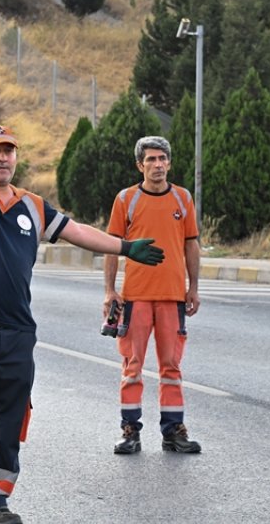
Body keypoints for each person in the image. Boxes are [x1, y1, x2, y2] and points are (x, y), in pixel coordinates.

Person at [0, 74, 166, 524]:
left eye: (9, 150)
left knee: (10, 422)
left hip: (16, 336)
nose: (4, 157)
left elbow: (78, 233)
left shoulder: (32, 205)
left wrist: (124, 247)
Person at [102, 136, 202, 455]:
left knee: (171, 366)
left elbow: (191, 244)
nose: (157, 165)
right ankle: (130, 430)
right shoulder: (126, 199)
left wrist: (194, 287)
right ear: (139, 165)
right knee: (132, 365)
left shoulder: (183, 199)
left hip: (172, 297)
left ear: (169, 162)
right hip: (136, 298)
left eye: (162, 159)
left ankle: (173, 432)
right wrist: (109, 290)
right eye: (151, 160)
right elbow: (111, 246)